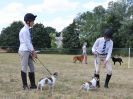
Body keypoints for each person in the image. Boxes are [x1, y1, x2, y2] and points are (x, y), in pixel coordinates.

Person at [18, 13, 37, 90]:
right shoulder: (24, 31)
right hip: (24, 51)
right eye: (33, 21)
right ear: (28, 21)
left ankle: (32, 85)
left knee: (32, 67)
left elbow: (29, 43)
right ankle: (25, 86)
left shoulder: (27, 30)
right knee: (24, 67)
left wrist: (32, 52)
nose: (33, 22)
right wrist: (33, 52)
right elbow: (27, 43)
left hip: (28, 51)